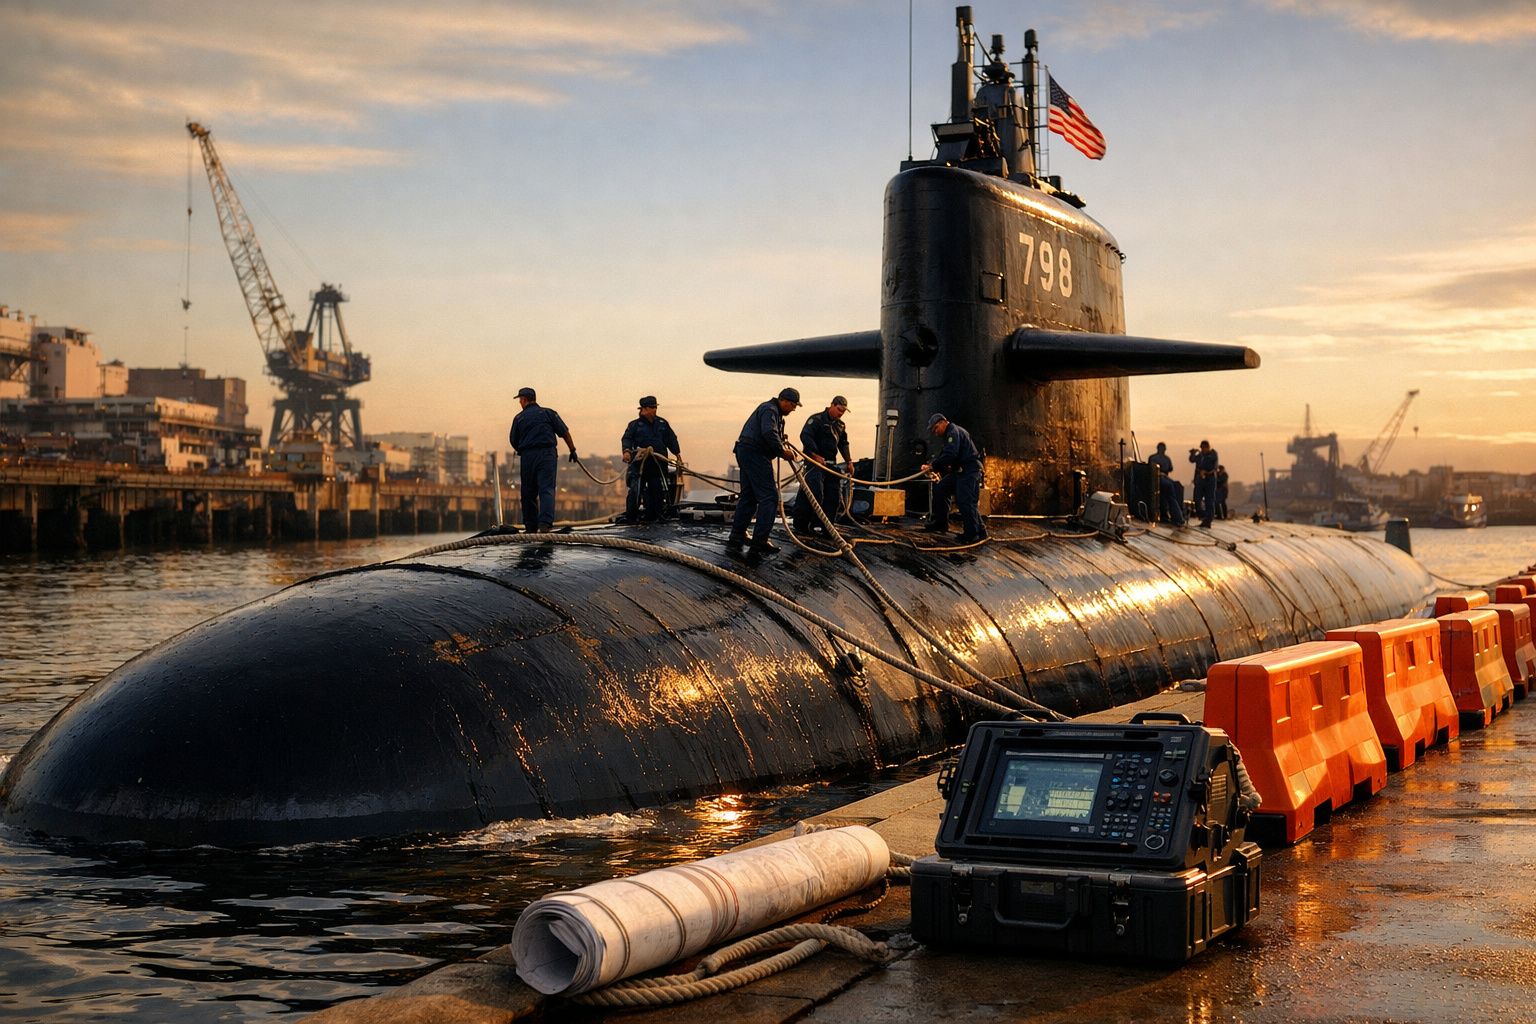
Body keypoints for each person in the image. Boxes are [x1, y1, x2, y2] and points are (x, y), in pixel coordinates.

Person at [727, 388, 801, 554]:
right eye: (793, 405)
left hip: (745, 451)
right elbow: (768, 432)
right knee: (769, 498)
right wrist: (782, 451)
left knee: (749, 496)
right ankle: (759, 542)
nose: (794, 409)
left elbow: (768, 432)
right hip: (756, 454)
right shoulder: (770, 410)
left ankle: (737, 535)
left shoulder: (770, 410)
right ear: (784, 401)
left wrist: (780, 442)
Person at [508, 386, 577, 533]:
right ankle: (545, 524)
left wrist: (522, 449)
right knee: (546, 489)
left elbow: (513, 440)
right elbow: (565, 433)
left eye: (520, 400)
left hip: (528, 456)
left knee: (528, 492)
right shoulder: (549, 413)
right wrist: (572, 450)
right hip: (547, 455)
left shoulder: (519, 418)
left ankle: (530, 527)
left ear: (524, 400)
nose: (520, 403)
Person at [921, 413, 987, 543]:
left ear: (942, 423)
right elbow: (945, 455)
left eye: (935, 428)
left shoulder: (953, 432)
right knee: (941, 489)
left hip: (969, 470)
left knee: (965, 501)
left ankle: (973, 534)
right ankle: (941, 523)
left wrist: (933, 466)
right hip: (960, 471)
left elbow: (950, 454)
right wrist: (932, 465)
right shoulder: (949, 435)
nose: (935, 432)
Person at [792, 395, 853, 533]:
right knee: (814, 493)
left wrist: (849, 461)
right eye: (839, 410)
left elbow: (843, 443)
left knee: (833, 496)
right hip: (815, 463)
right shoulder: (816, 419)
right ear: (832, 405)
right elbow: (805, 436)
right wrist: (814, 455)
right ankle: (802, 524)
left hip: (830, 464)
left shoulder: (840, 425)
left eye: (843, 411)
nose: (841, 413)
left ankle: (826, 526)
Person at [621, 395, 681, 523]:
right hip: (640, 465)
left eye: (655, 407)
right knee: (635, 490)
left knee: (657, 490)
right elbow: (627, 439)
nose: (655, 410)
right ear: (644, 409)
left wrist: (677, 455)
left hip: (657, 465)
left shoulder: (662, 424)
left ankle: (656, 515)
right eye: (652, 407)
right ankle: (631, 517)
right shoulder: (634, 425)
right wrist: (626, 451)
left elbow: (671, 439)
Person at [1147, 442, 1186, 526]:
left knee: (1163, 496)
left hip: (1156, 480)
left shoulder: (1152, 457)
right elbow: (1170, 468)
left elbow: (1149, 468)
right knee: (1171, 497)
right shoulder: (1167, 459)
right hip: (1165, 480)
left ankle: (1165, 516)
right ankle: (1178, 518)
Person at [1188, 439, 1219, 528]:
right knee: (1197, 498)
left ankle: (1208, 520)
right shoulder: (1200, 455)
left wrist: (1205, 472)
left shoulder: (1213, 455)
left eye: (1204, 447)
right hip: (1200, 480)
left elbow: (1214, 467)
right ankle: (1202, 516)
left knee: (1209, 500)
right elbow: (1192, 460)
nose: (1203, 449)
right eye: (1202, 447)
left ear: (1208, 447)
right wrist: (1192, 453)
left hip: (1209, 479)